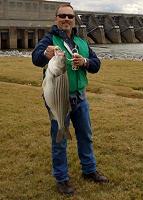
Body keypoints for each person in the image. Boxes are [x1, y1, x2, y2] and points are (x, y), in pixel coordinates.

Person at [32, 4, 109, 196]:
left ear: (74, 20)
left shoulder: (81, 42)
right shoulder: (50, 39)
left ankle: (89, 170)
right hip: (59, 97)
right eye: (62, 16)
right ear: (56, 18)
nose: (66, 19)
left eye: (70, 16)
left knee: (86, 135)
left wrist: (85, 62)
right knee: (59, 141)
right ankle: (61, 178)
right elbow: (36, 59)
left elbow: (96, 64)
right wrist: (46, 54)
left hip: (80, 97)